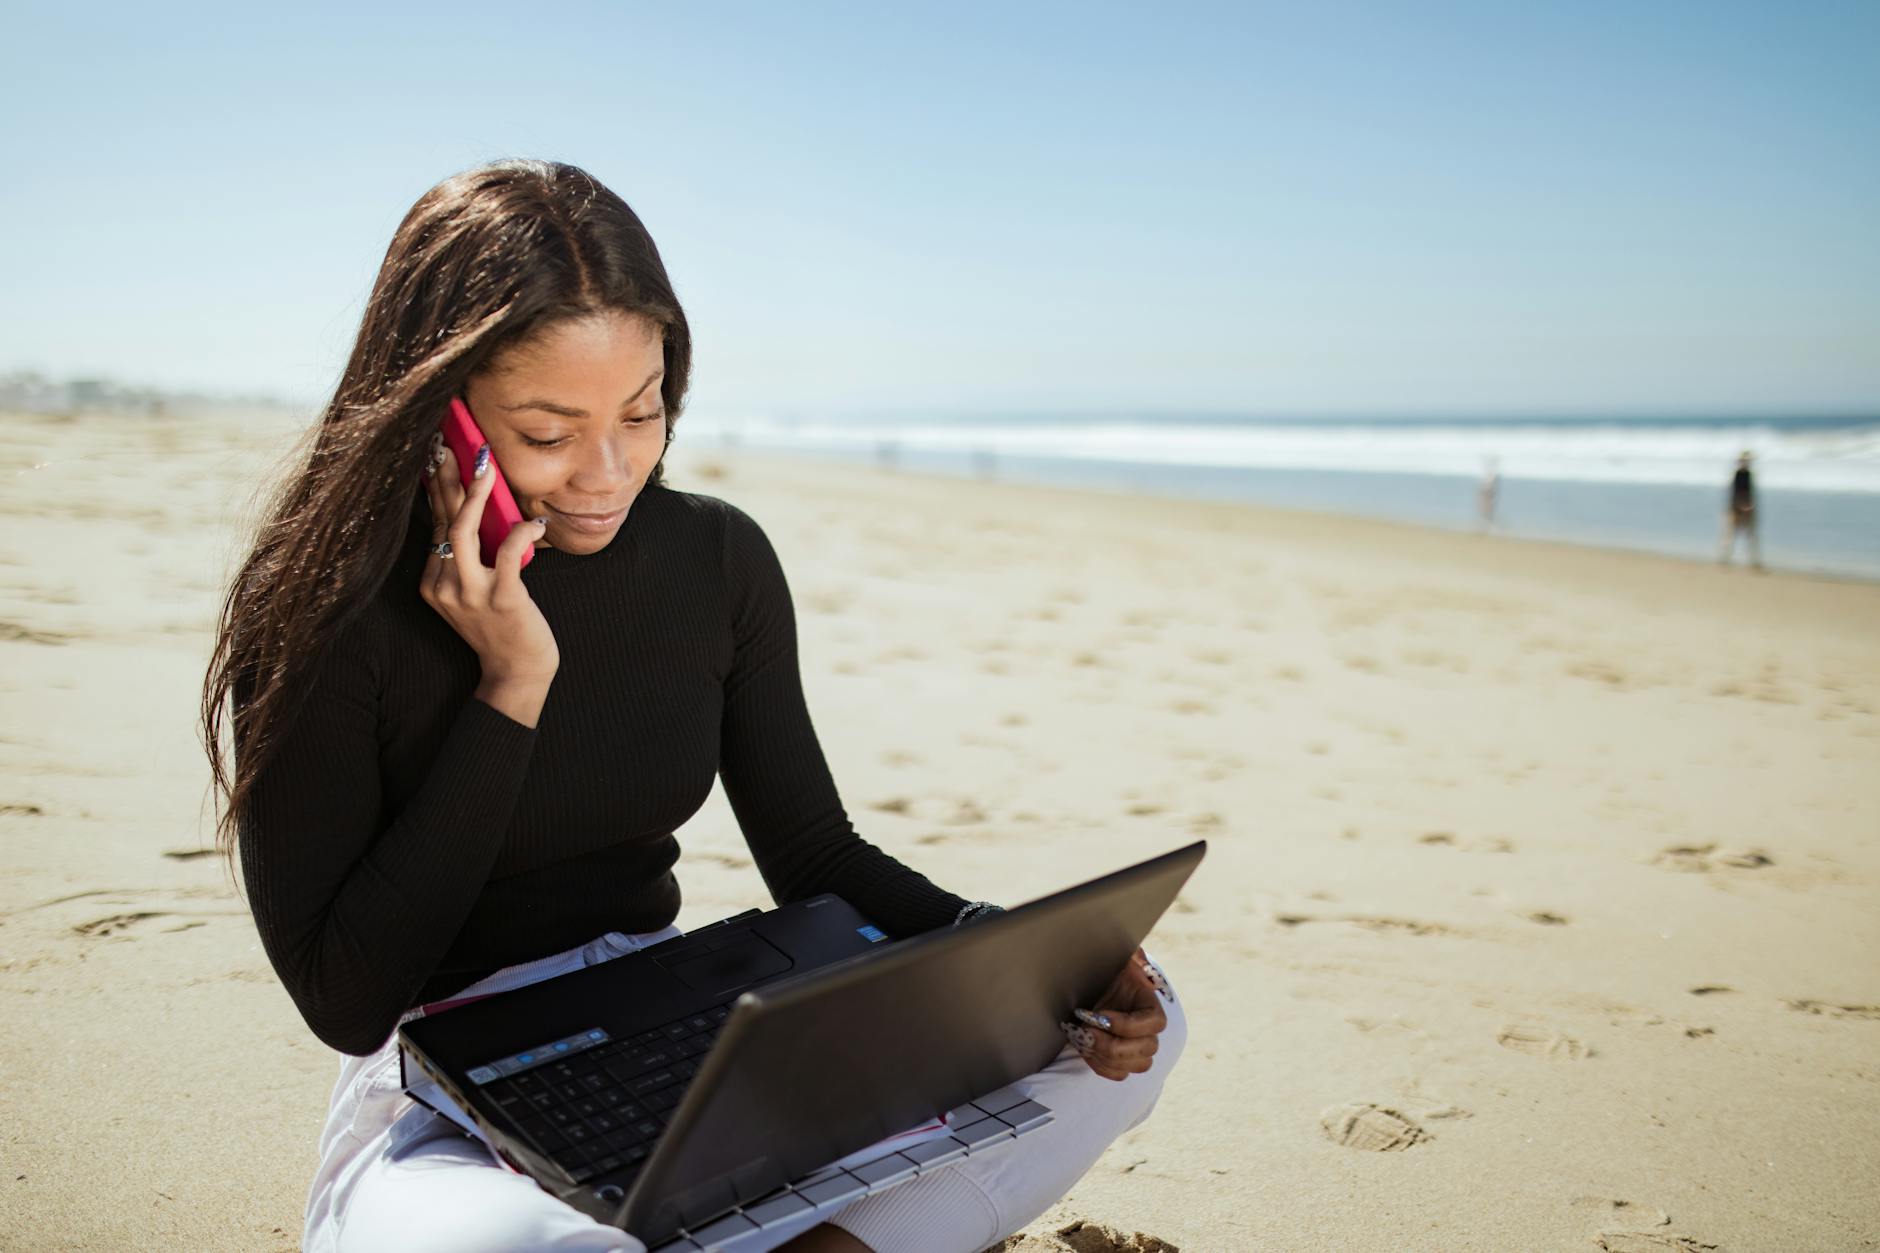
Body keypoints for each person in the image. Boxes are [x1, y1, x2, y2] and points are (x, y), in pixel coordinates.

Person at [199, 159, 1185, 1253]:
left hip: (681, 1032)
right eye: (546, 432)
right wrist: (510, 685)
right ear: (444, 408)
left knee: (1134, 1025)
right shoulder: (324, 609)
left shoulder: (715, 556)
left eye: (642, 411)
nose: (607, 472)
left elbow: (812, 850)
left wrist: (1019, 952)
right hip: (442, 1113)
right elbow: (349, 998)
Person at [1718, 450, 1761, 569]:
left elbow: (1751, 493)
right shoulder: (1737, 474)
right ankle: (1725, 559)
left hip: (1748, 508)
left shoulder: (1749, 474)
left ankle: (1754, 560)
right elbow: (1734, 493)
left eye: (1747, 461)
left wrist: (1750, 506)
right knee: (1729, 535)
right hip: (1735, 509)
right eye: (1744, 460)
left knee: (1751, 536)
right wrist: (1741, 506)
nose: (1746, 463)